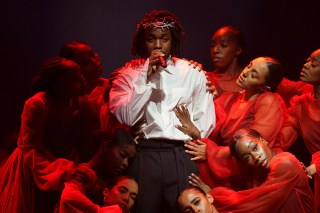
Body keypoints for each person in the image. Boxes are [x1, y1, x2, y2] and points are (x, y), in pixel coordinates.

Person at [108, 10, 215, 213]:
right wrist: (145, 81)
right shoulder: (128, 74)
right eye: (151, 39)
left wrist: (195, 133)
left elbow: (205, 120)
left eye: (164, 39)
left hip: (181, 154)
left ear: (172, 40)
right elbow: (126, 116)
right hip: (144, 153)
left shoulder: (193, 73)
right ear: (142, 41)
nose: (158, 45)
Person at [0, 57, 86, 213]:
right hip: (33, 168)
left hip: (58, 163)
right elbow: (32, 148)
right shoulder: (38, 104)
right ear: (58, 85)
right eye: (74, 79)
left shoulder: (75, 102)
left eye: (81, 76)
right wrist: (57, 172)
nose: (82, 81)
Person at [189, 128, 315, 212]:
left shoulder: (285, 162)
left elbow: (253, 203)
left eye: (255, 148)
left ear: (263, 140)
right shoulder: (257, 175)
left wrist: (214, 194)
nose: (256, 157)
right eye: (247, 157)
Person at [278, 48, 320, 212]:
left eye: (313, 64)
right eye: (308, 60)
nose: (306, 65)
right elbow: (283, 139)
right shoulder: (302, 104)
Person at [59, 128, 137, 213]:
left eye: (129, 160)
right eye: (122, 155)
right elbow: (69, 197)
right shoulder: (83, 174)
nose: (126, 163)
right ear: (107, 147)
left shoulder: (107, 178)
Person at [59, 41, 109, 162]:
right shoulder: (75, 102)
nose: (94, 61)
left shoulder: (111, 85)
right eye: (86, 62)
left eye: (92, 54)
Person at [206, 25, 245, 97]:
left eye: (223, 45)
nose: (215, 50)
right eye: (212, 45)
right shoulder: (207, 79)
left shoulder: (251, 80)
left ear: (238, 50)